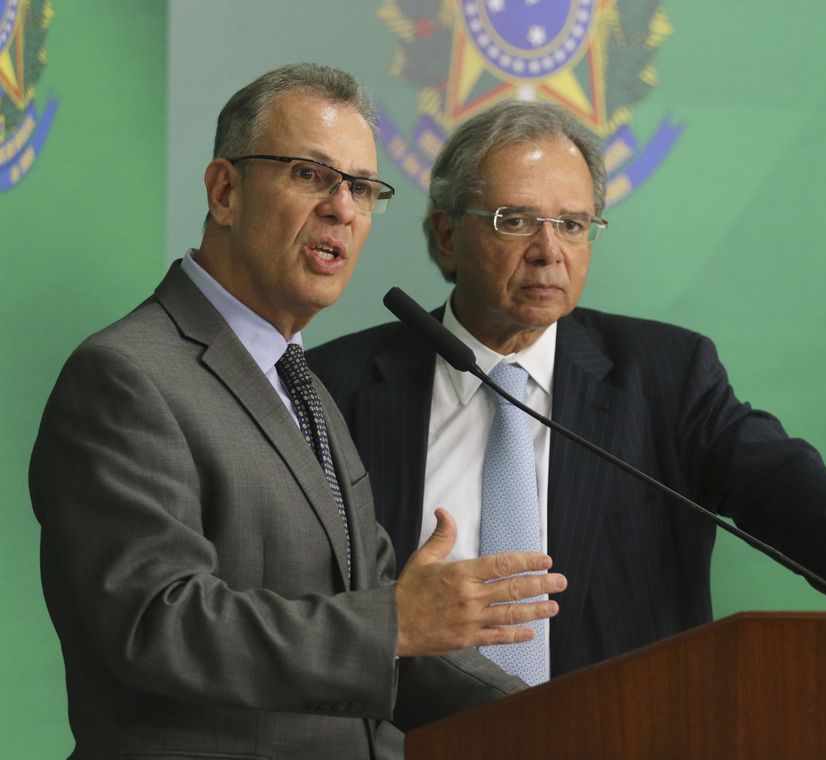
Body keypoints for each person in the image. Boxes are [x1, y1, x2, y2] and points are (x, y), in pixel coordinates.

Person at [307, 100, 826, 683]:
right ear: (447, 235)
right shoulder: (340, 385)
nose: (550, 250)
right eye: (516, 220)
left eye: (572, 224)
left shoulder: (663, 373)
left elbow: (775, 478)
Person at [29, 65, 567, 759]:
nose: (344, 208)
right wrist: (394, 622)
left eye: (364, 188)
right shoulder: (128, 376)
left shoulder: (299, 382)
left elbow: (378, 613)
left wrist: (563, 720)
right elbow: (156, 624)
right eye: (311, 176)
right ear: (225, 191)